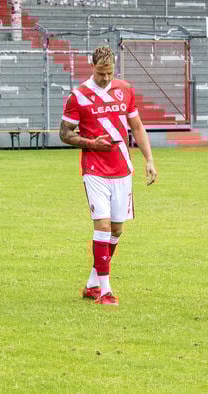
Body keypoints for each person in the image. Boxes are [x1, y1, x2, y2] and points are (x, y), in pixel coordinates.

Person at [59, 46, 157, 307]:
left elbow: (136, 125)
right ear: (91, 67)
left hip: (122, 168)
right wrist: (91, 143)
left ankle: (92, 283)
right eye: (101, 73)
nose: (105, 78)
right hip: (94, 169)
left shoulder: (125, 89)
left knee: (116, 229)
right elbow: (64, 134)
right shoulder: (78, 96)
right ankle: (105, 291)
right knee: (102, 226)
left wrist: (149, 159)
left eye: (109, 73)